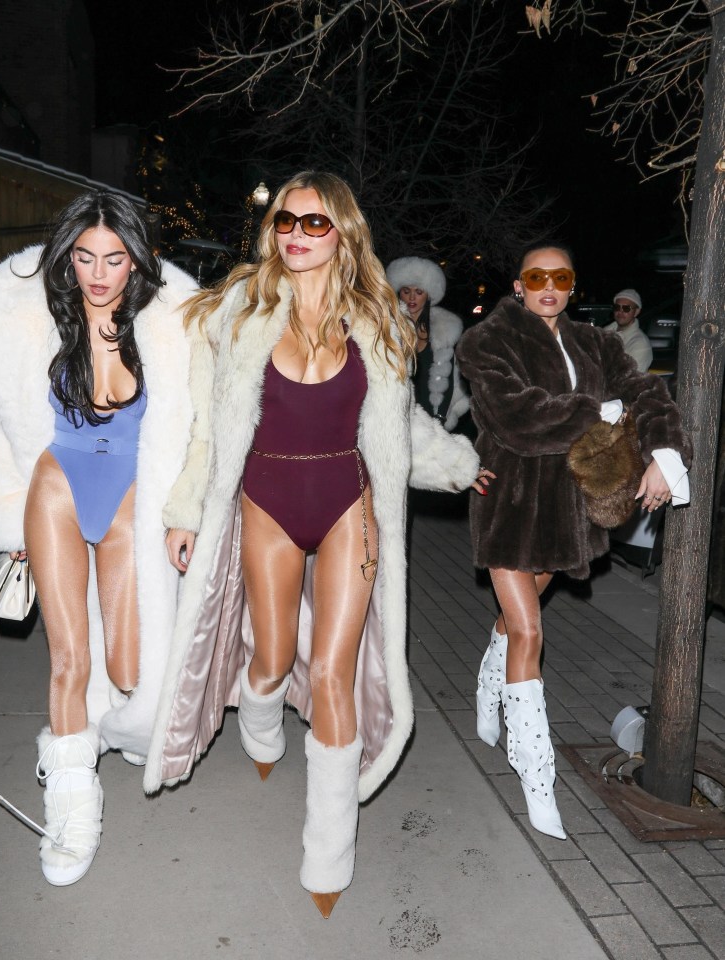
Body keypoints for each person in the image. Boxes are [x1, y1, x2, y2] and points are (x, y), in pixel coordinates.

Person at [144, 171, 489, 917]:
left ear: (344, 233)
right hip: (265, 499)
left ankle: (328, 848)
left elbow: (396, 426)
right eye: (284, 221)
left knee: (332, 670)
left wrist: (462, 464)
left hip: (347, 503)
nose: (294, 234)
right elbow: (209, 427)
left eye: (313, 223)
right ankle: (261, 712)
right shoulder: (236, 314)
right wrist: (184, 510)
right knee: (271, 652)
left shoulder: (377, 321)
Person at [0, 191, 199, 886]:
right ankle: (72, 803)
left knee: (130, 668)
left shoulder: (168, 328)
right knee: (69, 659)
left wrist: (187, 510)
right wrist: (9, 525)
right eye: (85, 256)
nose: (98, 273)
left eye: (114, 258)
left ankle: (109, 733)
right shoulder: (34, 323)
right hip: (57, 484)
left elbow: (197, 431)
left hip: (130, 497)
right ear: (67, 256)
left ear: (137, 260)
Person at [456, 245, 691, 840]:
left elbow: (648, 394)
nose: (550, 287)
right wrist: (600, 411)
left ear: (572, 283)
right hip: (508, 501)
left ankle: (489, 688)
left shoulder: (596, 342)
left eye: (562, 277)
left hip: (566, 510)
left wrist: (664, 455)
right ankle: (536, 773)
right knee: (531, 630)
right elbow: (514, 417)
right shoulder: (486, 341)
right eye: (538, 277)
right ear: (519, 284)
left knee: (518, 617)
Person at [385, 257, 469, 430]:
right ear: (399, 293)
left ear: (428, 295)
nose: (412, 297)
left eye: (419, 291)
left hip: (431, 415)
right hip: (395, 415)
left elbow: (449, 378)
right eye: (406, 291)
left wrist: (440, 417)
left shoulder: (443, 330)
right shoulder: (388, 329)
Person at [604, 288, 653, 372]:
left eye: (626, 308)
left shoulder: (640, 345)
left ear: (636, 312)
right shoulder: (603, 333)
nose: (620, 312)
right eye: (617, 307)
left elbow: (629, 380)